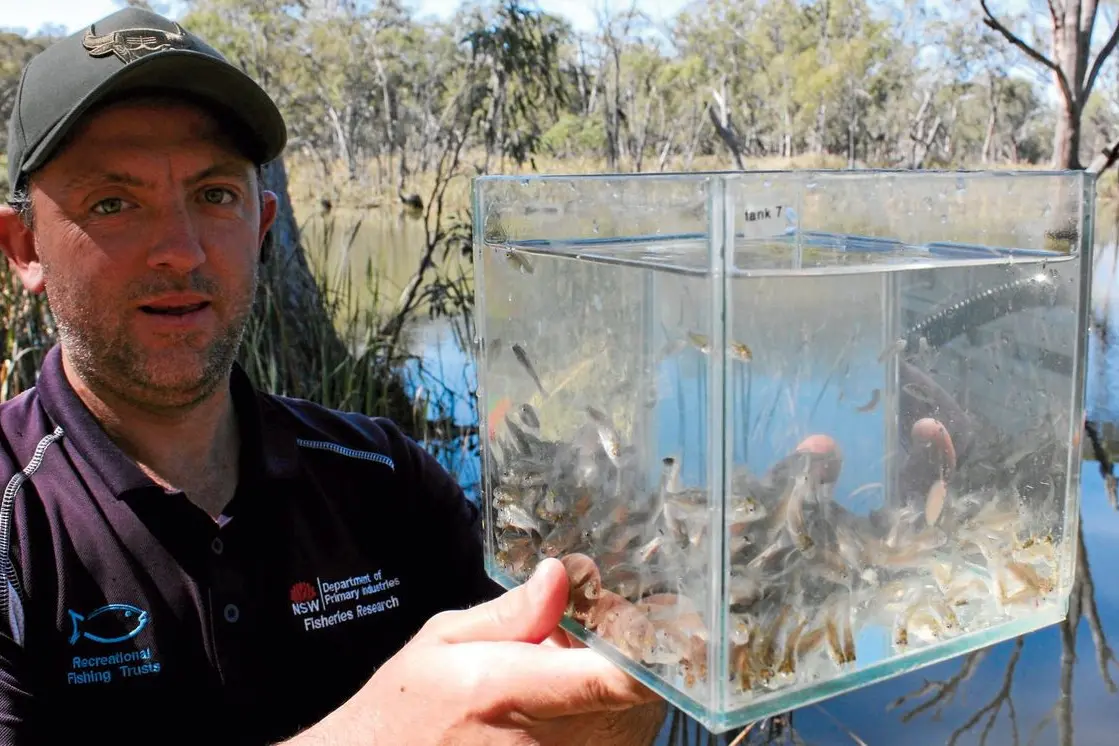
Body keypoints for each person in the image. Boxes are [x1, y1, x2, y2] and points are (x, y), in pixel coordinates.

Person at [0, 7, 666, 745]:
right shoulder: (14, 526)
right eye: (114, 203)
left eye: (215, 195)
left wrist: (623, 676)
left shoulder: (384, 479)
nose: (180, 251)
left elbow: (550, 701)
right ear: (24, 246)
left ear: (261, 227)